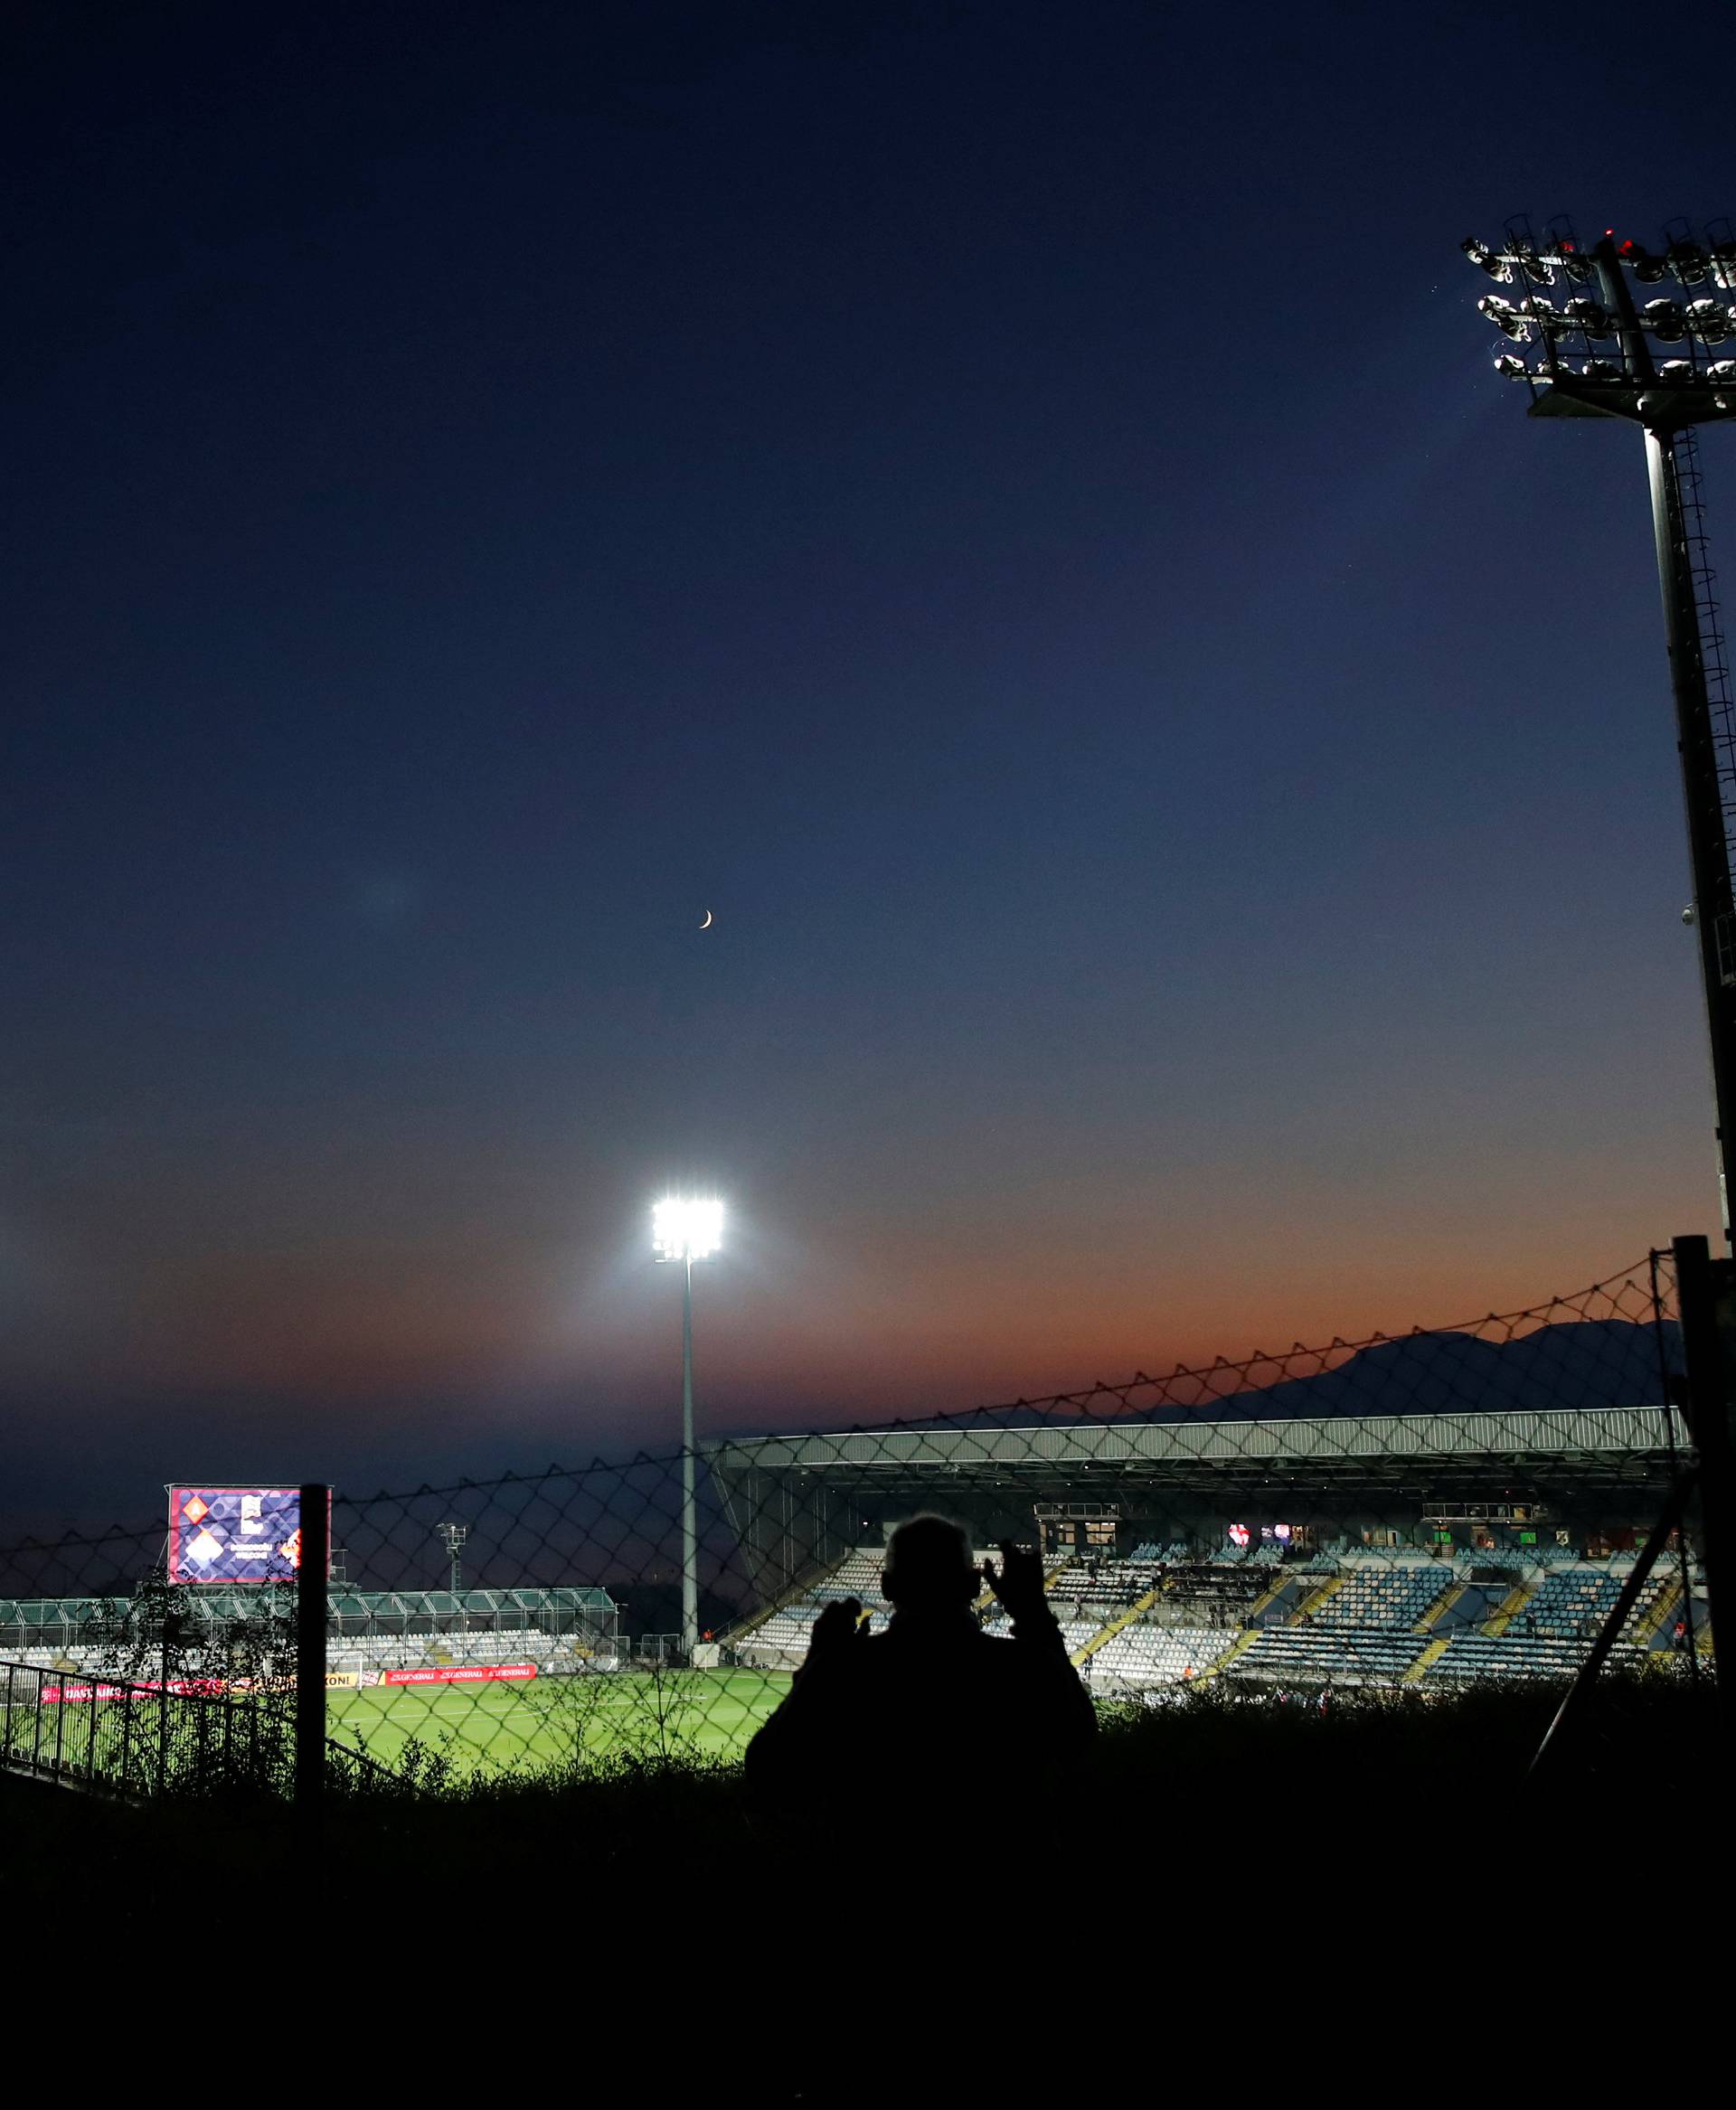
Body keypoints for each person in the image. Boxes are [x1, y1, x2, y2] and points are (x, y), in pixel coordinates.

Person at [745, 1514, 1095, 1838]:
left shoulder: (846, 1671)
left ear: (885, 1587)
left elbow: (767, 1770)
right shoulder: (1024, 1667)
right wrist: (1033, 1612)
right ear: (975, 1584)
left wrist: (816, 1661)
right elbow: (1081, 1742)